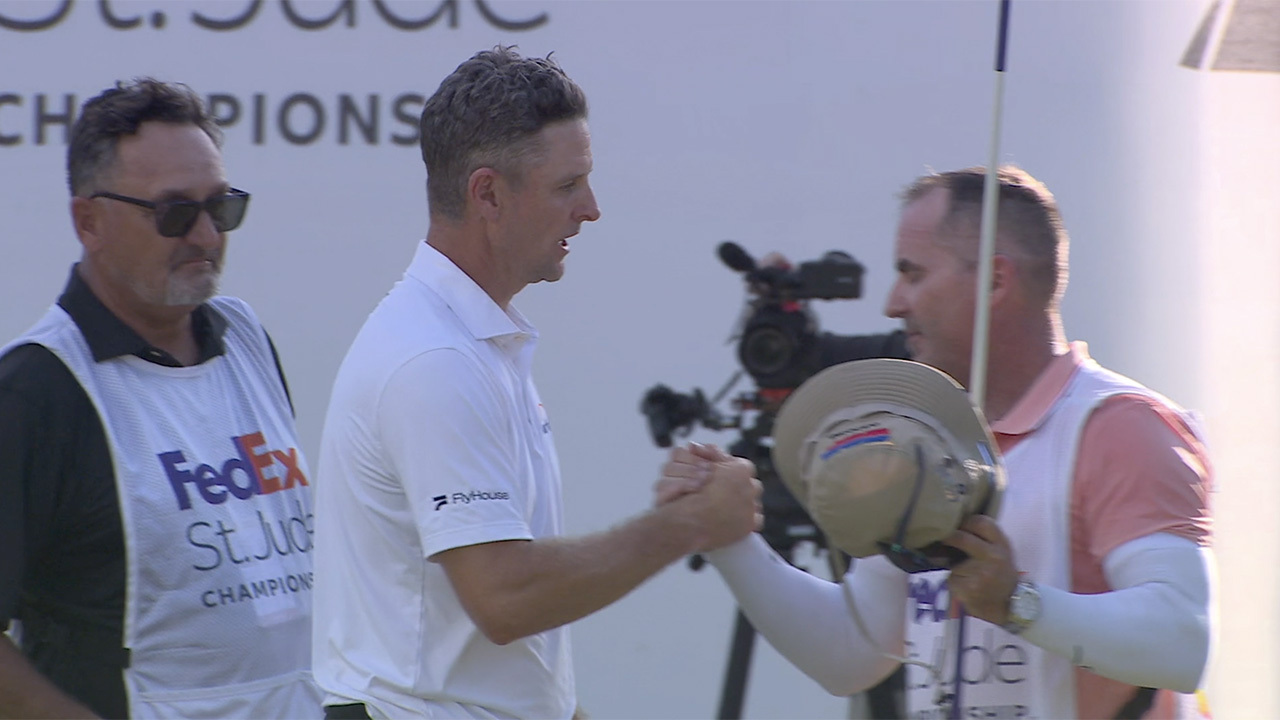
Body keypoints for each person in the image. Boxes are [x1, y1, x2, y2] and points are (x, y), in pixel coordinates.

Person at [310, 45, 762, 720]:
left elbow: (510, 652)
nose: (591, 208)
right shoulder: (432, 359)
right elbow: (505, 598)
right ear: (488, 194)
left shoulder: (470, 341)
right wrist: (688, 524)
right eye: (567, 185)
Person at [665, 166, 1215, 718]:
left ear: (995, 281)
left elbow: (1182, 643)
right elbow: (851, 652)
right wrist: (728, 537)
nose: (892, 303)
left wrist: (1016, 603)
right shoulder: (925, 436)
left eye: (913, 273)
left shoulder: (1119, 424)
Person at [0, 78, 321, 718]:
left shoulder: (246, 338)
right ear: (89, 221)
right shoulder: (36, 391)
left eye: (220, 207)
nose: (206, 236)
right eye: (174, 213)